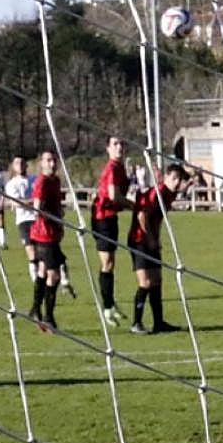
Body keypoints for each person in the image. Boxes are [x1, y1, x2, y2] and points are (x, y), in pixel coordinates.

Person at [128, 163, 188, 334]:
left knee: (156, 281)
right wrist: (150, 239)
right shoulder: (158, 193)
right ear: (165, 176)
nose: (177, 182)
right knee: (146, 282)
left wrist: (156, 239)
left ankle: (159, 323)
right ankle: (136, 323)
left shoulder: (169, 193)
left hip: (151, 240)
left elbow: (156, 219)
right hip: (139, 240)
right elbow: (142, 215)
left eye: (179, 179)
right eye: (174, 178)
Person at [91, 136, 130, 326]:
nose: (119, 147)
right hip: (101, 217)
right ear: (108, 148)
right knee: (106, 263)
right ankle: (106, 309)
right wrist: (133, 205)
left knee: (111, 263)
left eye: (121, 143)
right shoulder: (112, 168)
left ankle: (110, 303)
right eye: (115, 144)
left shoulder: (121, 167)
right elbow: (114, 195)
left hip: (111, 216)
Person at [28, 150, 66, 331]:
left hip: (52, 233)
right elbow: (38, 208)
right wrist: (54, 218)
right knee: (54, 275)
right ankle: (48, 317)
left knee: (43, 271)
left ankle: (35, 309)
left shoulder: (55, 180)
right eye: (48, 160)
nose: (52, 164)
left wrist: (60, 217)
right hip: (44, 234)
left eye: (54, 160)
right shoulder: (41, 182)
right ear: (42, 163)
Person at [4, 156, 38, 283]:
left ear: (26, 165)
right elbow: (16, 203)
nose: (20, 165)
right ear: (13, 166)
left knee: (42, 251)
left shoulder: (35, 179)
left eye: (22, 163)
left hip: (38, 218)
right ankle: (36, 280)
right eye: (17, 163)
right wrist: (34, 201)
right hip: (24, 220)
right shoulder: (11, 184)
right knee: (31, 250)